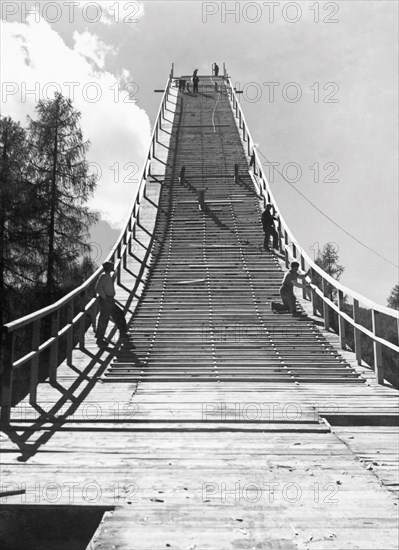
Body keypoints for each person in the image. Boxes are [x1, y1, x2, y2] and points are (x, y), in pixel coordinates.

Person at [95, 261, 128, 347]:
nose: (113, 267)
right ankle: (100, 339)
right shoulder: (103, 276)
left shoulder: (107, 276)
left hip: (109, 300)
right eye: (111, 266)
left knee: (117, 315)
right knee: (105, 319)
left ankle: (122, 334)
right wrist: (105, 297)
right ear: (108, 268)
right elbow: (98, 288)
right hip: (106, 300)